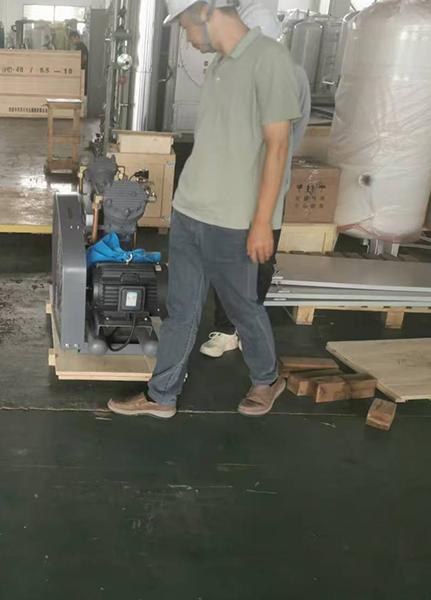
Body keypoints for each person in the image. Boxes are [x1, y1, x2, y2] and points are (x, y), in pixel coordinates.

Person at [107, 0, 302, 419]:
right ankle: (162, 396)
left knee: (241, 307)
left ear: (205, 10)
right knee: (181, 310)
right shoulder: (219, 65)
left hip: (233, 220)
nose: (186, 36)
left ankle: (267, 379)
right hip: (190, 211)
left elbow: (278, 147)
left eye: (183, 25)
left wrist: (262, 222)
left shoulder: (270, 59)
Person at [199, 1, 312, 358]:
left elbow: (295, 129)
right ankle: (224, 329)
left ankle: (246, 327)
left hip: (268, 187)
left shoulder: (293, 75)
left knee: (260, 259)